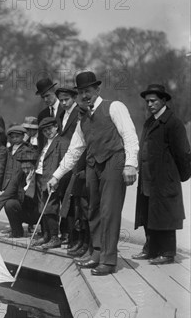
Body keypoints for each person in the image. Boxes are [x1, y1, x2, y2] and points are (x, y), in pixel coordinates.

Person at [48, 71, 139, 276]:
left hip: (114, 162)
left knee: (109, 210)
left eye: (88, 91)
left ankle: (108, 260)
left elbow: (130, 135)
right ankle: (97, 253)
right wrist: (56, 176)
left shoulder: (114, 107)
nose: (85, 95)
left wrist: (131, 164)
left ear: (97, 90)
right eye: (81, 92)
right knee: (93, 210)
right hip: (93, 165)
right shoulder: (82, 120)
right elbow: (74, 151)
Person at [133, 84, 191, 265]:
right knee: (149, 213)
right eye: (147, 101)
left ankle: (167, 253)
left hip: (165, 180)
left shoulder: (173, 123)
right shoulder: (149, 121)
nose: (149, 104)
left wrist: (178, 176)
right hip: (148, 178)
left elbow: (183, 153)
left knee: (165, 215)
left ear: (163, 100)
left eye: (153, 101)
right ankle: (151, 249)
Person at [30, 117, 69, 249]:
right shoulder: (46, 142)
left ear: (56, 127)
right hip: (40, 177)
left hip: (51, 179)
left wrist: (57, 179)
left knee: (50, 207)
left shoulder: (62, 142)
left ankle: (54, 237)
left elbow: (65, 163)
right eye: (44, 130)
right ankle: (46, 235)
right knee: (42, 208)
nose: (47, 132)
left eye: (50, 129)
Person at [0, 148, 39, 238]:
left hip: (38, 213)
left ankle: (46, 233)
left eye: (29, 168)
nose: (26, 171)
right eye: (24, 168)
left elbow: (36, 199)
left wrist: (29, 185)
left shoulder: (40, 176)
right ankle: (17, 232)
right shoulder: (19, 175)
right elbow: (6, 194)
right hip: (25, 211)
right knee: (10, 203)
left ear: (34, 166)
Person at [55, 86, 78, 244]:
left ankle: (73, 236)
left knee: (72, 198)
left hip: (75, 160)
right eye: (61, 100)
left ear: (74, 98)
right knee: (62, 195)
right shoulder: (61, 113)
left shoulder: (80, 113)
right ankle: (64, 233)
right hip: (62, 160)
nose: (63, 103)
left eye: (66, 99)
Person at [36, 78, 64, 150]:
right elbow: (41, 140)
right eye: (43, 97)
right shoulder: (42, 115)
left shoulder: (65, 109)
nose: (45, 100)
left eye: (47, 96)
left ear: (54, 91)